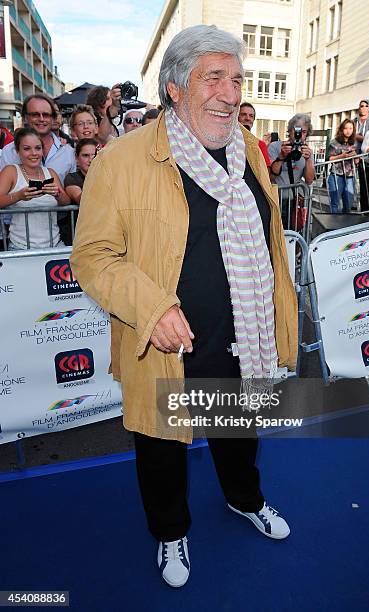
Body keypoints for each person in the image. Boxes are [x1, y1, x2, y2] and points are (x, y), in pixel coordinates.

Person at [71, 24, 297, 589]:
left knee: (238, 432)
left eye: (237, 78)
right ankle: (171, 534)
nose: (229, 91)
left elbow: (268, 243)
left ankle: (246, 500)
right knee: (163, 450)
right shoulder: (122, 161)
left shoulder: (249, 152)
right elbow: (93, 256)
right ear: (175, 88)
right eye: (213, 77)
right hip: (164, 342)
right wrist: (152, 309)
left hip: (242, 335)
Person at [0, 128, 70, 249]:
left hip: (54, 245)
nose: (34, 153)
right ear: (18, 151)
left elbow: (66, 202)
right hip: (20, 248)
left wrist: (57, 194)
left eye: (38, 148)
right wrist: (18, 196)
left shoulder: (50, 172)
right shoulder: (11, 171)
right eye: (27, 148)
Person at [0, 94, 76, 182]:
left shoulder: (68, 153)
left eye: (46, 115)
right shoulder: (9, 151)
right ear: (25, 118)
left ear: (52, 118)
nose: (41, 119)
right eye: (35, 114)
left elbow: (70, 191)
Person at [268, 113, 314, 227]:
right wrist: (281, 156)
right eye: (297, 131)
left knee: (293, 236)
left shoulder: (306, 151)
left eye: (304, 132)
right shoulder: (275, 147)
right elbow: (270, 176)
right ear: (290, 130)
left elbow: (309, 180)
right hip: (276, 199)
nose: (299, 135)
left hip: (295, 201)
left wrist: (308, 160)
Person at [327, 119, 358, 214]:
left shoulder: (354, 143)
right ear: (341, 129)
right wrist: (342, 156)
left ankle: (346, 226)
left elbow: (357, 161)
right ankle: (333, 226)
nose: (348, 130)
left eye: (350, 128)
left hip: (350, 176)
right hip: (336, 175)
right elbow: (329, 158)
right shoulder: (334, 142)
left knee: (348, 204)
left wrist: (355, 155)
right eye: (346, 128)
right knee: (335, 203)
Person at [353, 99, 369, 210]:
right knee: (361, 186)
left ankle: (368, 212)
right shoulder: (354, 120)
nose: (364, 107)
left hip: (368, 158)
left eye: (366, 106)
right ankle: (363, 210)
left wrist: (358, 136)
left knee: (366, 188)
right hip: (354, 155)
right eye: (362, 105)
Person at [64, 138, 98, 205]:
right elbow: (82, 201)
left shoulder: (107, 175)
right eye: (86, 155)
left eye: (95, 156)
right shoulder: (71, 178)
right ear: (76, 158)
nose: (91, 160)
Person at [238, 102, 271, 167]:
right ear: (236, 117)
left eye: (251, 116)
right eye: (243, 114)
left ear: (253, 120)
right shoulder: (226, 141)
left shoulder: (260, 145)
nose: (247, 118)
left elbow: (266, 172)